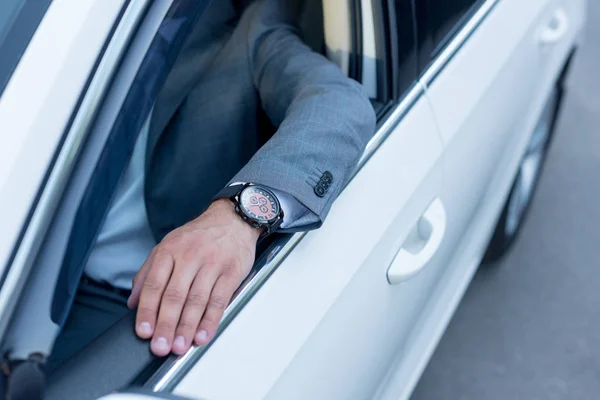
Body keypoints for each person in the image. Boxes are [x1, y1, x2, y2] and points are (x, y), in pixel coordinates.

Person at [49, 0, 375, 368]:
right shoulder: (53, 22)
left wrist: (240, 214)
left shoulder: (248, 28)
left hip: (138, 301)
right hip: (34, 267)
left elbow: (338, 104)